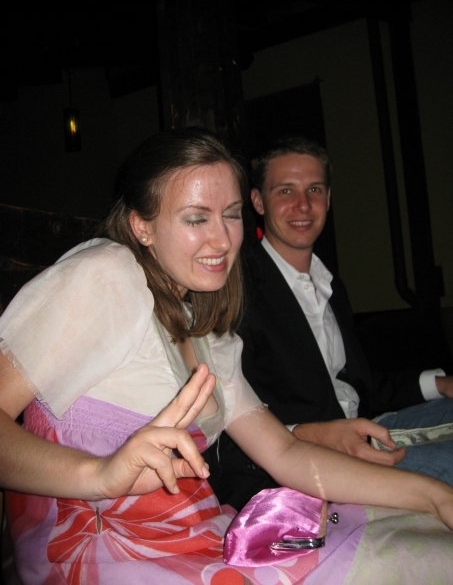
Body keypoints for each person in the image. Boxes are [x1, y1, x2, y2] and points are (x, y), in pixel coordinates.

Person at [1, 128, 453, 585]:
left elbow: (285, 452)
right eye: (197, 218)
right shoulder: (106, 276)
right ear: (142, 225)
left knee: (423, 541)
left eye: (231, 215)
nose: (222, 240)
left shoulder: (205, 329)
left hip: (200, 537)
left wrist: (434, 496)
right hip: (100, 553)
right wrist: (101, 474)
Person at [204, 134, 453, 511]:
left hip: (365, 431)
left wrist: (440, 383)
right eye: (285, 190)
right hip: (307, 468)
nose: (303, 204)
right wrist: (317, 436)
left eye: (314, 189)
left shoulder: (329, 283)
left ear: (329, 198)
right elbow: (221, 430)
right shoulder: (233, 289)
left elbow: (358, 386)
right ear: (257, 201)